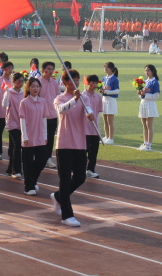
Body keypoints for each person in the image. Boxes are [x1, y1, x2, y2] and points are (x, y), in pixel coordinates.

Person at [51, 69, 94, 227]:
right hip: (64, 143)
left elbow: (88, 109)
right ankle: (67, 215)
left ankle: (58, 196)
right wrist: (75, 99)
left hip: (80, 143)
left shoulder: (84, 98)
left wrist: (90, 115)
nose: (75, 83)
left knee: (80, 177)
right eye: (72, 80)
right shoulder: (59, 99)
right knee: (64, 179)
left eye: (77, 80)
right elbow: (63, 110)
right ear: (65, 83)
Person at [19, 77, 49, 195]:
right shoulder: (24, 102)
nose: (35, 89)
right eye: (33, 86)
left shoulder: (43, 101)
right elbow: (22, 120)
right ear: (28, 88)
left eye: (37, 86)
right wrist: (24, 136)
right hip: (28, 136)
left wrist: (45, 135)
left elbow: (44, 119)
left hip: (40, 136)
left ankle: (32, 180)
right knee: (28, 163)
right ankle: (29, 187)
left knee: (42, 160)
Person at [39, 61, 60, 169]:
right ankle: (39, 157)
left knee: (50, 137)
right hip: (40, 115)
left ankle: (48, 158)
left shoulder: (55, 83)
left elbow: (58, 97)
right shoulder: (38, 82)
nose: (50, 71)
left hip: (52, 115)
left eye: (52, 69)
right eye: (48, 69)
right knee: (40, 136)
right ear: (43, 70)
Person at [4, 72, 25, 179]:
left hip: (21, 123)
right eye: (18, 81)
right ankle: (16, 170)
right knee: (18, 145)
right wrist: (8, 93)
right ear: (13, 81)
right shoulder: (9, 92)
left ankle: (10, 169)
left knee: (13, 146)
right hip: (12, 123)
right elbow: (5, 104)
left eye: (22, 81)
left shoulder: (24, 93)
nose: (20, 83)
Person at [0, 61, 14, 160]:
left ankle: (11, 152)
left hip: (11, 111)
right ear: (4, 69)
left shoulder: (13, 81)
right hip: (0, 111)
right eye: (9, 68)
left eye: (12, 68)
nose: (10, 70)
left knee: (12, 132)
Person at [82, 75, 103, 178]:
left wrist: (97, 128)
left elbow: (98, 113)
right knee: (83, 151)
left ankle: (91, 169)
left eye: (96, 83)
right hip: (84, 129)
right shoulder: (82, 96)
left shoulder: (98, 97)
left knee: (93, 151)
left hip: (94, 129)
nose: (94, 85)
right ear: (87, 83)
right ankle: (80, 169)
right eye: (92, 83)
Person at [138, 65, 160, 152]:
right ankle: (145, 143)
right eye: (145, 70)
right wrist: (140, 94)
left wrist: (145, 94)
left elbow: (156, 96)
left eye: (148, 71)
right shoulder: (144, 81)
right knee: (144, 125)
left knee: (149, 125)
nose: (146, 72)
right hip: (143, 103)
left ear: (152, 71)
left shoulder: (155, 82)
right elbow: (142, 95)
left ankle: (149, 145)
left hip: (150, 104)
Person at [100, 62, 119, 145]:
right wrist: (101, 90)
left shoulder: (114, 79)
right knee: (105, 119)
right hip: (104, 99)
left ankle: (110, 138)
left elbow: (117, 91)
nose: (105, 68)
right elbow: (102, 87)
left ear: (111, 69)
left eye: (107, 67)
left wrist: (106, 92)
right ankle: (106, 136)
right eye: (104, 67)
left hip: (111, 100)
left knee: (110, 120)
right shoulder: (104, 78)